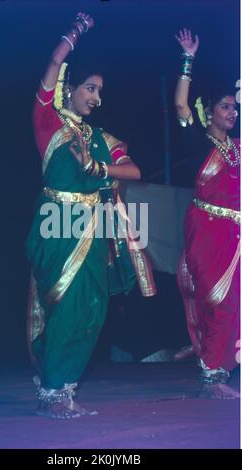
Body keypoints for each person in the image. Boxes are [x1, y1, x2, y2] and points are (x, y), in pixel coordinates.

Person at [26, 12, 156, 418]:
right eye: (90, 88)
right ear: (70, 87)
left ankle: (63, 386)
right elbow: (52, 64)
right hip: (57, 223)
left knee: (93, 308)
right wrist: (75, 32)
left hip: (93, 228)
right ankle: (52, 391)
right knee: (65, 305)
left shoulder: (100, 138)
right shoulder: (49, 122)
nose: (96, 97)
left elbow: (134, 170)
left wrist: (97, 169)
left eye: (100, 90)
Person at [174, 29, 240, 399]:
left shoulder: (239, 147)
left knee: (236, 301)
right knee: (215, 298)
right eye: (225, 107)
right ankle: (211, 367)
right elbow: (182, 107)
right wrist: (188, 60)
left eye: (235, 107)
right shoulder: (198, 142)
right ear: (209, 111)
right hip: (206, 228)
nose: (232, 112)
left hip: (236, 233)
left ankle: (220, 365)